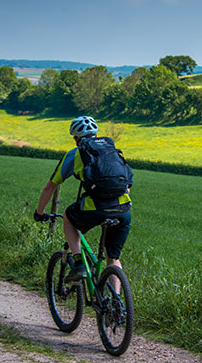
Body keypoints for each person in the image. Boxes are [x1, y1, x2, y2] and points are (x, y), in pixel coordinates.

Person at [35, 116, 132, 284]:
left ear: (75, 138)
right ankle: (116, 306)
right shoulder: (111, 151)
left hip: (94, 208)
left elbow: (50, 186)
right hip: (123, 209)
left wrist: (40, 213)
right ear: (96, 134)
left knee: (68, 217)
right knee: (113, 259)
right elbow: (127, 185)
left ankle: (79, 263)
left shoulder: (76, 153)